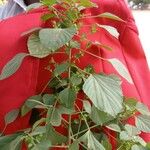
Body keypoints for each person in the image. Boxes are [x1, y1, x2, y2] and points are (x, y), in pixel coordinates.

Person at [0, 0, 150, 147]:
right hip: (32, 126)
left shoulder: (102, 8)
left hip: (91, 126)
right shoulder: (7, 12)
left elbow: (133, 69)